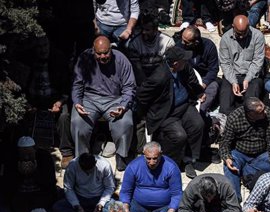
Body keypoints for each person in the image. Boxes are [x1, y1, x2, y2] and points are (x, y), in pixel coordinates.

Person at [135, 46, 205, 179]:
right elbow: (141, 96)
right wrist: (149, 113)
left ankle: (188, 159)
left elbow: (191, 78)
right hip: (167, 113)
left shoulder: (183, 67)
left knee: (198, 124)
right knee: (179, 136)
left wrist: (199, 92)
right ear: (175, 63)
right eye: (183, 60)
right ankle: (171, 163)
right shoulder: (159, 77)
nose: (187, 62)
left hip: (184, 106)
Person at [70, 36, 135, 169]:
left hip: (115, 99)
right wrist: (77, 102)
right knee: (77, 122)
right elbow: (77, 84)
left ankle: (121, 155)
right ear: (93, 50)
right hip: (89, 99)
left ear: (111, 49)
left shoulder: (121, 59)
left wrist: (123, 105)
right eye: (99, 53)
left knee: (125, 123)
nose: (103, 56)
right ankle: (82, 158)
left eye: (106, 53)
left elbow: (129, 87)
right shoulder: (84, 58)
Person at [120, 141, 182, 212]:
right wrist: (126, 208)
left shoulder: (171, 167)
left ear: (161, 154)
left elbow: (177, 194)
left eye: (155, 158)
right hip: (138, 204)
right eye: (148, 158)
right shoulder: (133, 166)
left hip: (163, 206)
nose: (152, 162)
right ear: (143, 154)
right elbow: (125, 191)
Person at [219, 97, 270, 196]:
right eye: (261, 112)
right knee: (230, 168)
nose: (265, 112)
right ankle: (234, 201)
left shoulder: (268, 113)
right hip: (240, 153)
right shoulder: (234, 118)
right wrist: (226, 157)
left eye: (264, 108)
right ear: (250, 114)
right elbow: (225, 143)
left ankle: (247, 171)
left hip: (262, 152)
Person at [218, 15, 266, 114]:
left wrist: (248, 79)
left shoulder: (258, 36)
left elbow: (257, 61)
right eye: (238, 33)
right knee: (224, 107)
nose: (241, 36)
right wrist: (233, 81)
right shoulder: (226, 38)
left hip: (252, 76)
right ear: (233, 27)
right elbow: (225, 63)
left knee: (250, 106)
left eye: (244, 33)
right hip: (232, 75)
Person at [51, 153, 115, 212]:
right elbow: (68, 188)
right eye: (84, 170)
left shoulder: (104, 165)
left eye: (90, 169)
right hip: (80, 197)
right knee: (57, 207)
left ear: (95, 163)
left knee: (115, 208)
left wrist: (101, 203)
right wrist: (76, 204)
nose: (87, 173)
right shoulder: (72, 165)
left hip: (99, 197)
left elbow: (109, 187)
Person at [6, 136, 58, 212]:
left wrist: (35, 173)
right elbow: (8, 185)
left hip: (39, 193)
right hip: (20, 194)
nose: (26, 157)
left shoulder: (44, 157)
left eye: (29, 154)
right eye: (23, 154)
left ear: (35, 150)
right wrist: (20, 174)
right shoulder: (12, 158)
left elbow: (50, 183)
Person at [178, 26, 220, 117]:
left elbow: (213, 69)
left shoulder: (209, 46)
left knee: (214, 86)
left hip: (204, 79)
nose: (182, 43)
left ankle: (200, 111)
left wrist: (204, 84)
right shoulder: (180, 46)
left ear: (195, 42)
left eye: (186, 42)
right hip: (187, 80)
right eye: (182, 39)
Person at [126, 10, 175, 83]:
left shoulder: (167, 42)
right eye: (142, 29)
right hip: (143, 80)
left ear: (156, 30)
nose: (143, 32)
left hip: (162, 79)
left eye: (147, 30)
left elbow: (168, 68)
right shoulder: (134, 44)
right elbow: (138, 70)